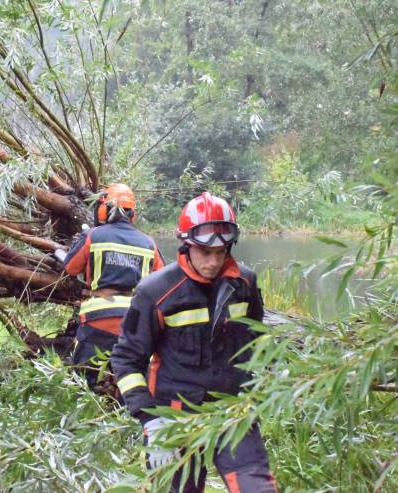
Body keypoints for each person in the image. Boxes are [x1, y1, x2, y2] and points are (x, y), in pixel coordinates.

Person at [111, 192, 277, 493]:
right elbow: (126, 360)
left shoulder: (245, 284)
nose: (213, 262)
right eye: (205, 252)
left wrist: (265, 388)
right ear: (186, 244)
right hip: (174, 418)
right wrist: (150, 420)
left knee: (257, 489)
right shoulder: (155, 292)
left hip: (233, 414)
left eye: (222, 252)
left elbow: (256, 343)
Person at [63, 183, 165, 392]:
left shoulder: (93, 236)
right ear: (132, 214)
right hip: (136, 322)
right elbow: (161, 281)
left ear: (103, 210)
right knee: (135, 382)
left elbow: (70, 268)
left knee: (85, 380)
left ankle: (89, 409)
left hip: (99, 319)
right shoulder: (149, 243)